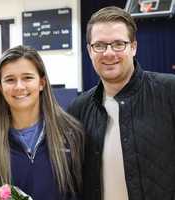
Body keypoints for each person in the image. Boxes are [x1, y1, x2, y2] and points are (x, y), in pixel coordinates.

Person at [67, 6, 175, 200]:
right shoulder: (78, 109)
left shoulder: (169, 92)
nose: (108, 53)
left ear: (133, 47)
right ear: (89, 50)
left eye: (118, 44)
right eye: (99, 45)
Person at [0, 45, 84, 200]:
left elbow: (81, 192)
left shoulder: (70, 132)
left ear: (41, 82)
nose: (19, 86)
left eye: (27, 78)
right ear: (0, 87)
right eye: (10, 80)